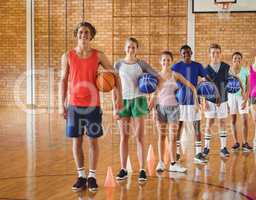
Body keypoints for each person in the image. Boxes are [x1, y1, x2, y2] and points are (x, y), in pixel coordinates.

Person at [59, 22, 122, 192]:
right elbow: (63, 81)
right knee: (76, 141)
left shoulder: (98, 55)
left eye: (87, 32)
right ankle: (81, 176)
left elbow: (116, 76)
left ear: (91, 35)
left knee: (93, 141)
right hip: (74, 105)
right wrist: (61, 104)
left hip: (93, 106)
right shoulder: (68, 55)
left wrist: (119, 100)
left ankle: (92, 176)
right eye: (80, 32)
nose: (83, 35)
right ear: (76, 34)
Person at [114, 37, 160, 182]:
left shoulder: (142, 64)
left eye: (133, 47)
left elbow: (159, 78)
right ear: (124, 48)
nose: (131, 49)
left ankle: (142, 169)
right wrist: (115, 106)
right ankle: (123, 169)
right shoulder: (118, 64)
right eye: (128, 47)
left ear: (137, 49)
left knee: (140, 137)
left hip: (139, 100)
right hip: (123, 101)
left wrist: (153, 97)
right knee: (124, 137)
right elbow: (114, 87)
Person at [149, 51, 199, 173]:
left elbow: (191, 86)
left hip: (174, 109)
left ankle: (173, 164)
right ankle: (161, 163)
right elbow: (153, 94)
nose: (166, 62)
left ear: (171, 62)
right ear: (160, 62)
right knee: (162, 136)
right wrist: (153, 110)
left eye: (168, 60)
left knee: (172, 137)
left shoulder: (175, 75)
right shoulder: (157, 76)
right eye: (164, 60)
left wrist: (197, 102)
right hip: (160, 108)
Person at [172, 45, 207, 164]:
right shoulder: (176, 66)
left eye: (188, 52)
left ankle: (198, 153)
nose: (186, 54)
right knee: (179, 126)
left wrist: (205, 88)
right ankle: (176, 152)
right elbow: (171, 82)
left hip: (194, 101)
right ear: (180, 54)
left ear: (191, 52)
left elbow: (206, 78)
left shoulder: (197, 66)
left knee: (197, 126)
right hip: (180, 101)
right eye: (183, 52)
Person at [203, 43, 230, 158]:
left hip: (223, 100)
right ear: (209, 54)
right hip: (210, 100)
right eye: (213, 52)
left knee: (222, 122)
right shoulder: (206, 69)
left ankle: (223, 148)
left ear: (220, 53)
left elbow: (227, 84)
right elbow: (204, 86)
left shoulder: (226, 67)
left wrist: (226, 101)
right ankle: (206, 147)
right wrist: (204, 101)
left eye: (217, 52)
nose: (215, 54)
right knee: (209, 123)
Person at [228, 52, 253, 152]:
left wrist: (246, 99)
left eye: (239, 58)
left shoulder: (246, 71)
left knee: (245, 120)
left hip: (242, 98)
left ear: (241, 60)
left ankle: (245, 143)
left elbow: (248, 86)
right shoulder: (228, 71)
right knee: (233, 120)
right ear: (232, 59)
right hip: (231, 97)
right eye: (235, 58)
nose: (237, 60)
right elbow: (225, 86)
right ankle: (236, 142)